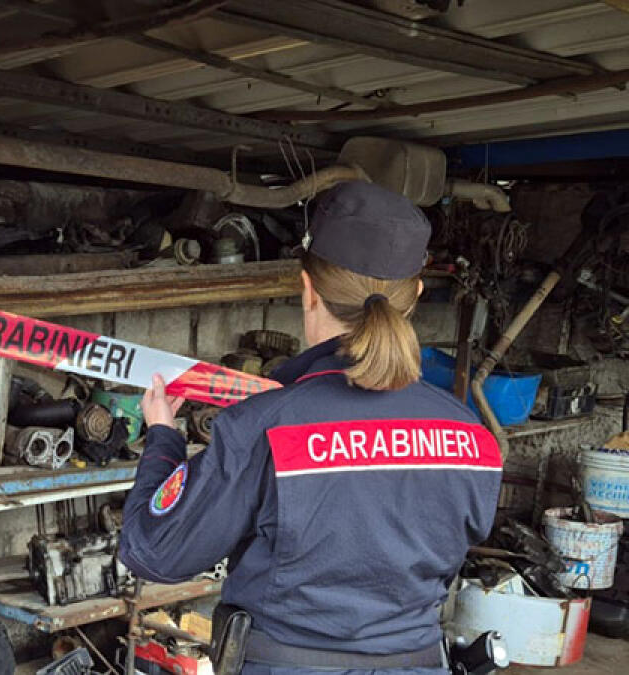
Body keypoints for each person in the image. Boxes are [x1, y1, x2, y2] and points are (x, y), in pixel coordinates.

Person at [119, 181, 503, 674]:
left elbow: (154, 553)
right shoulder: (469, 433)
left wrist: (163, 439)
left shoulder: (264, 427)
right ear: (416, 296)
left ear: (307, 290)